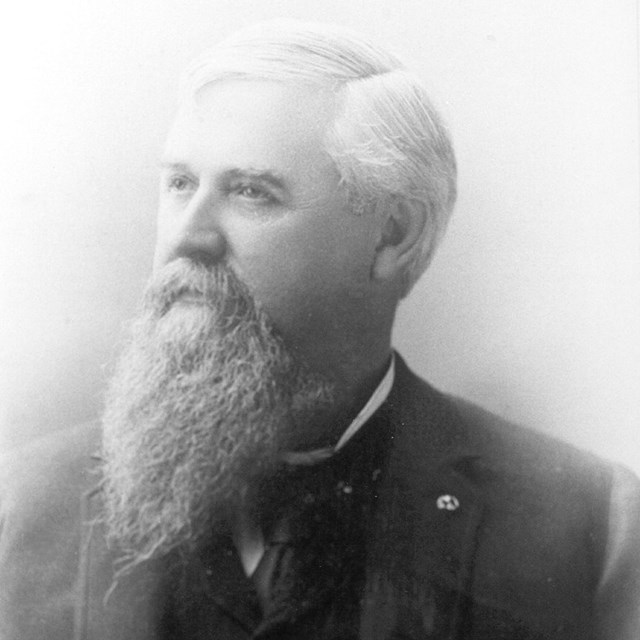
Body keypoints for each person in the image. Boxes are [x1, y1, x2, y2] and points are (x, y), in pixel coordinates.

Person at [1, 19, 639, 640]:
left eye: (252, 192)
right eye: (180, 184)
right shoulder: (20, 507)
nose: (187, 237)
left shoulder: (593, 529)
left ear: (394, 234)